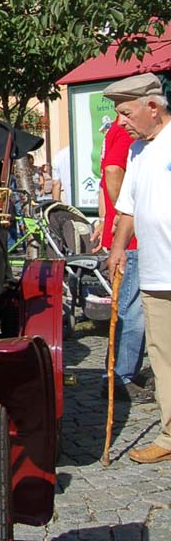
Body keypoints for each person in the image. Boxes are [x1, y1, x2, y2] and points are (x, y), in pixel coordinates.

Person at [106, 73, 171, 463]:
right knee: (163, 357)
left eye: (127, 113)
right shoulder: (137, 152)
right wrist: (118, 248)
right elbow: (127, 207)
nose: (121, 122)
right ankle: (170, 433)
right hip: (155, 271)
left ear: (152, 107)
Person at [91, 118, 148, 403]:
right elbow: (112, 171)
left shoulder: (116, 130)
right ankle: (120, 376)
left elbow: (105, 178)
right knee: (131, 307)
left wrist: (107, 216)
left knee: (130, 305)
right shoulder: (127, 130)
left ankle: (123, 373)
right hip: (132, 238)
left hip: (127, 235)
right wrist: (124, 213)